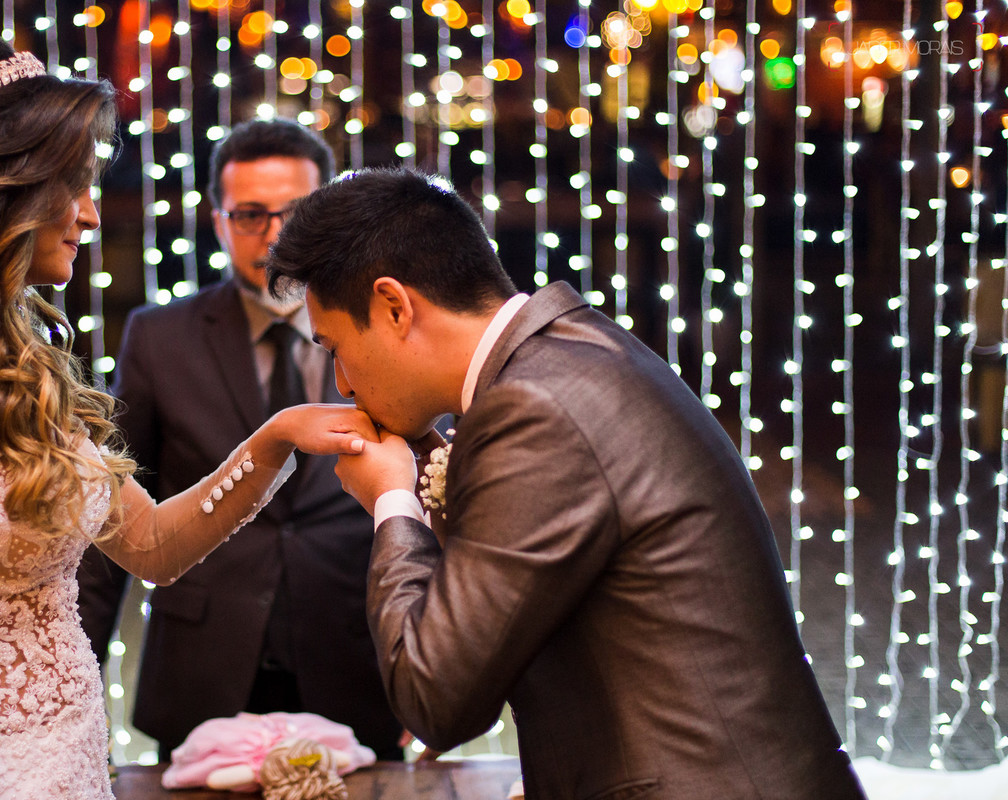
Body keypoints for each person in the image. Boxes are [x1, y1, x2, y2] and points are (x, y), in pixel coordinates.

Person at [0, 30, 373, 800]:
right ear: (1, 190)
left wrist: (274, 442)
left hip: (65, 768)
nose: (90, 216)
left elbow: (152, 544)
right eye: (70, 185)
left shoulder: (9, 357)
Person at [265, 168, 869, 800]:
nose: (342, 384)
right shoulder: (572, 354)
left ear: (395, 307)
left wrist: (393, 504)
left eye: (335, 347)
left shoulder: (532, 408)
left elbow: (435, 699)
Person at [76, 118, 402, 760]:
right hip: (203, 667)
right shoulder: (158, 335)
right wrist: (78, 692)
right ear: (220, 222)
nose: (275, 234)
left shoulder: (385, 323)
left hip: (355, 662)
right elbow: (109, 515)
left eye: (296, 212)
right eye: (250, 215)